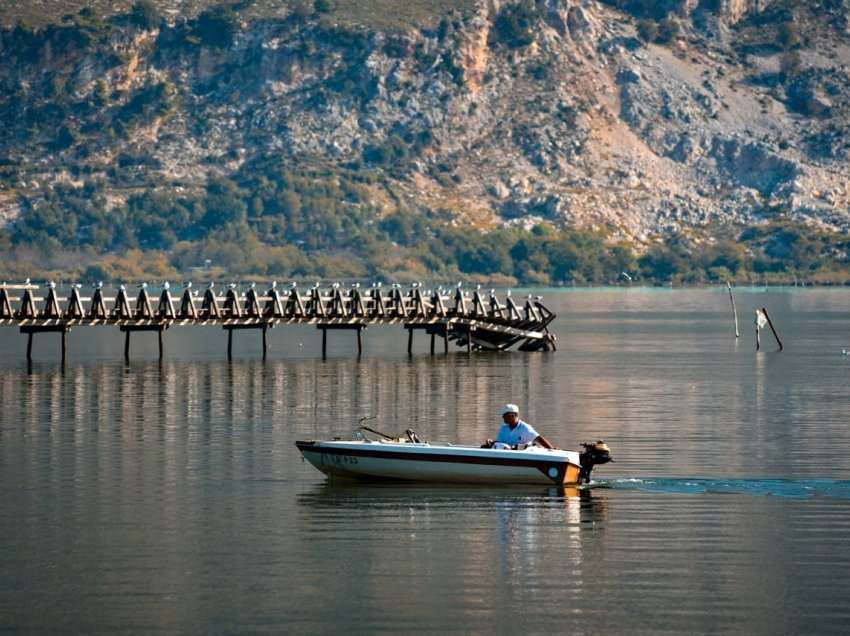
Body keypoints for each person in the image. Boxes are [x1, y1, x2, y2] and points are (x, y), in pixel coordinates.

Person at [483, 404, 554, 450]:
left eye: (505, 416)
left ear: (513, 416)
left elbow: (539, 439)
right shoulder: (503, 428)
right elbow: (500, 443)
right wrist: (492, 442)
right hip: (506, 455)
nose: (503, 417)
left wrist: (552, 450)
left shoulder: (525, 428)